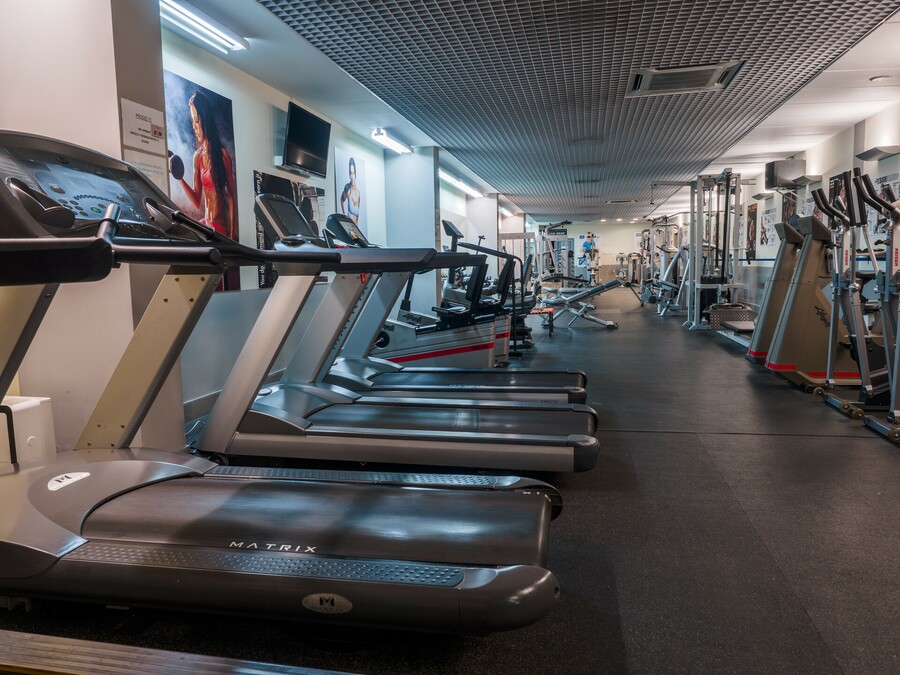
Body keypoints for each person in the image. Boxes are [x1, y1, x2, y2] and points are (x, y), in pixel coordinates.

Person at [172, 90, 237, 240]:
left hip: (219, 230)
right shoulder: (197, 157)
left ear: (205, 119)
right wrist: (179, 178)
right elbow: (197, 200)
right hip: (205, 225)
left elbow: (232, 198)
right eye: (192, 121)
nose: (194, 127)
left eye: (196, 120)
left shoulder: (222, 155)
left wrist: (232, 237)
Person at [339, 157, 362, 226]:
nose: (352, 176)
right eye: (350, 173)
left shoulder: (358, 193)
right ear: (349, 176)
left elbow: (358, 216)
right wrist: (344, 215)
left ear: (355, 174)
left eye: (353, 173)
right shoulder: (348, 190)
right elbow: (341, 200)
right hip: (349, 227)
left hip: (355, 227)